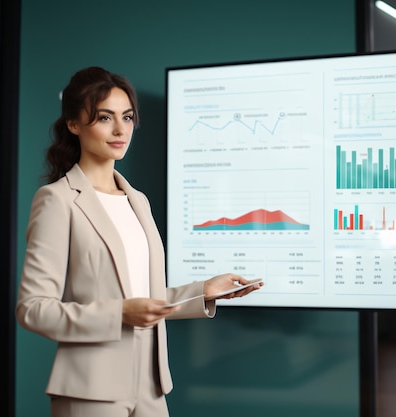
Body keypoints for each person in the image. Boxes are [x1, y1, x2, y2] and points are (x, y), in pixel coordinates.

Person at [16, 66, 263, 417]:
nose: (120, 130)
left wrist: (204, 291)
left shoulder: (137, 200)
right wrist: (118, 314)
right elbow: (33, 310)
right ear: (73, 124)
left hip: (151, 382)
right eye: (105, 117)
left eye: (127, 117)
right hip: (91, 388)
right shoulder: (57, 200)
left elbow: (147, 299)